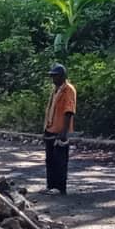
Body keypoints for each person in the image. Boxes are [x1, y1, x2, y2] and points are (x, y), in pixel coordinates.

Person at [42, 64, 76, 195]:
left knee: (60, 160)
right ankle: (50, 185)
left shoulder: (68, 90)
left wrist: (64, 132)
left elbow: (69, 111)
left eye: (55, 76)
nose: (53, 79)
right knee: (50, 159)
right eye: (52, 76)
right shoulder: (55, 89)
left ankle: (60, 187)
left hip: (60, 130)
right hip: (50, 128)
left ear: (62, 76)